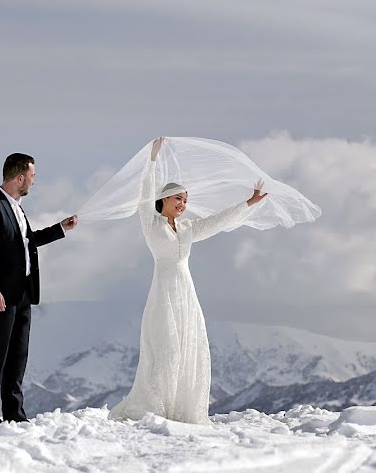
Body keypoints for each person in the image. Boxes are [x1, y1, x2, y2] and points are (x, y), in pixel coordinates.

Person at [109, 137, 268, 424]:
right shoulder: (151, 221)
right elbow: (145, 190)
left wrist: (248, 203)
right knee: (166, 349)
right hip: (163, 293)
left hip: (186, 294)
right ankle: (156, 407)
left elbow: (218, 221)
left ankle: (183, 409)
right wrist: (153, 160)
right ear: (164, 200)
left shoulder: (188, 228)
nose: (182, 204)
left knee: (187, 348)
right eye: (178, 199)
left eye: (185, 200)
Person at [0, 152, 78, 423]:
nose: (34, 181)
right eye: (32, 176)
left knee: (18, 356)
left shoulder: (17, 208)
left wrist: (61, 229)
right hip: (0, 296)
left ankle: (15, 414)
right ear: (20, 177)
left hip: (23, 295)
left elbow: (28, 242)